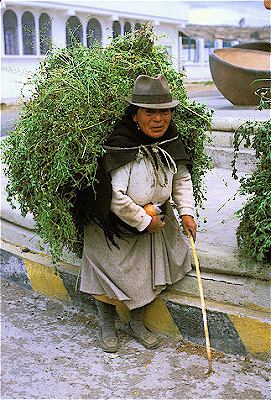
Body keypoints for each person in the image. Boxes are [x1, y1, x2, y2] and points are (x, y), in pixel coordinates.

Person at [79, 74, 197, 352]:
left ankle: (136, 323)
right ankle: (107, 325)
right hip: (113, 225)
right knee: (109, 271)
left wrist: (187, 213)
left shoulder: (171, 142)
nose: (159, 119)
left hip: (154, 220)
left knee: (147, 271)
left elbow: (181, 180)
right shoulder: (119, 146)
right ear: (135, 115)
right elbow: (114, 197)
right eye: (150, 112)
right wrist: (144, 220)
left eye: (165, 112)